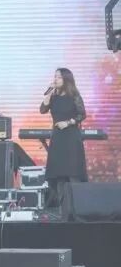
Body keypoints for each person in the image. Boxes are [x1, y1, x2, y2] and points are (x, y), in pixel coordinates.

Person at [40, 68, 87, 208]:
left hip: (71, 137)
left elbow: (82, 114)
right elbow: (42, 110)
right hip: (58, 137)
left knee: (73, 172)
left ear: (66, 79)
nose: (55, 79)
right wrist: (49, 93)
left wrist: (68, 123)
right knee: (58, 174)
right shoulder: (53, 96)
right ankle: (63, 209)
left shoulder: (74, 96)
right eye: (55, 76)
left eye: (59, 77)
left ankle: (79, 207)